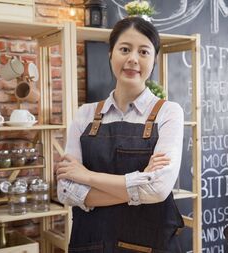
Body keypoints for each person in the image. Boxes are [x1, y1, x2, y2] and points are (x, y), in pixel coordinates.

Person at [56, 17, 185, 252]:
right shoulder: (85, 115)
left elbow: (158, 189)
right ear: (110, 54)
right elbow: (66, 191)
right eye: (124, 49)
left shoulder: (169, 113)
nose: (133, 59)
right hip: (92, 245)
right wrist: (139, 181)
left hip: (151, 245)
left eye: (143, 52)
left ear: (153, 59)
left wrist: (86, 176)